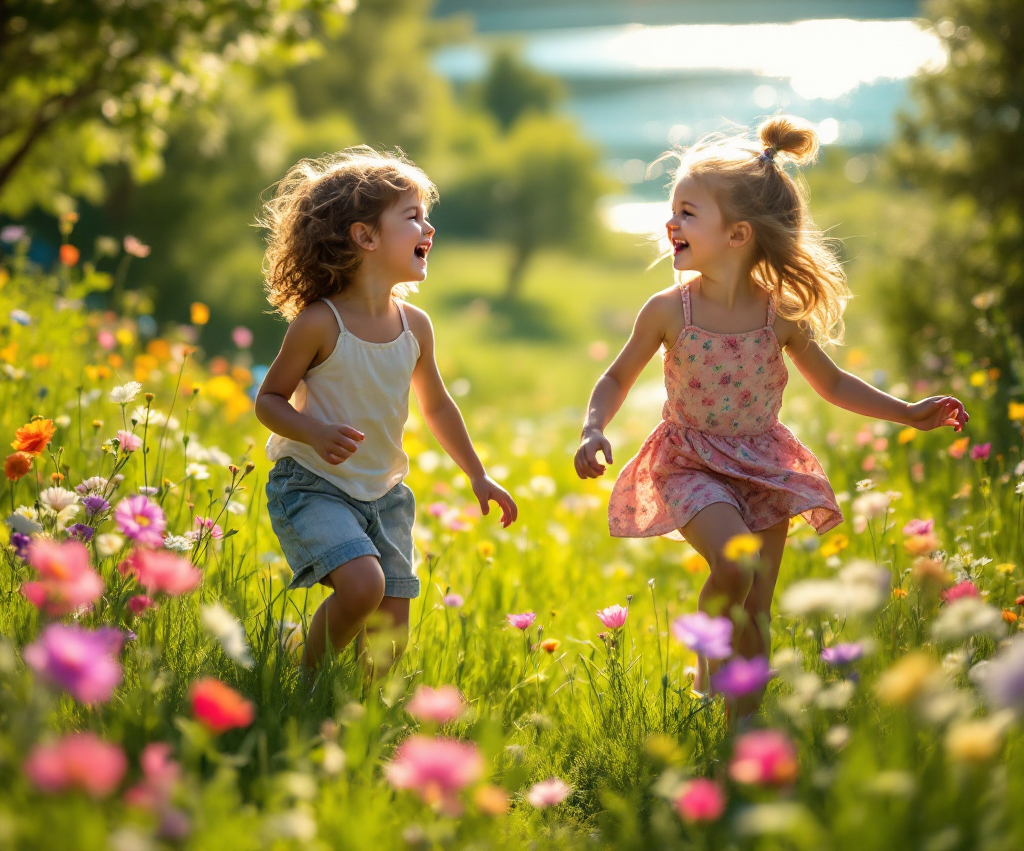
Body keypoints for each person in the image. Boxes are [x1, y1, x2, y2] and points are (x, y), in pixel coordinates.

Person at [574, 115, 967, 704]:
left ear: (737, 235)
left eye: (687, 212)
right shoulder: (667, 310)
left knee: (756, 610)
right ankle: (705, 655)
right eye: (673, 208)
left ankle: (743, 728)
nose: (670, 221)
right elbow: (616, 375)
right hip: (689, 462)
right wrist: (593, 426)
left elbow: (833, 383)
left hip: (764, 463)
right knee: (734, 566)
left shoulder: (778, 315)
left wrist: (908, 413)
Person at [255, 147, 517, 673]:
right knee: (363, 586)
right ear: (365, 236)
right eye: (413, 216)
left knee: (389, 640)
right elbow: (269, 401)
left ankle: (357, 712)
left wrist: (478, 474)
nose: (429, 227)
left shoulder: (415, 326)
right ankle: (304, 684)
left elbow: (437, 405)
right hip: (312, 484)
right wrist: (313, 432)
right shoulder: (319, 323)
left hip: (385, 494)